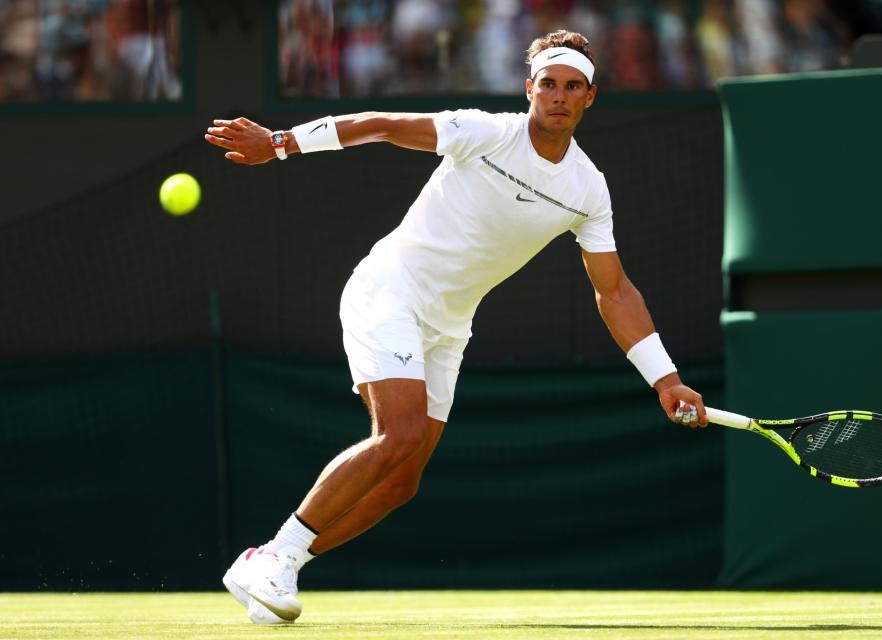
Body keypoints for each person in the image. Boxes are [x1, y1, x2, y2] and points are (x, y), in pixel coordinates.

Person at [204, 29, 709, 625]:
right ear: (530, 89)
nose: (559, 97)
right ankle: (275, 554)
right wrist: (281, 143)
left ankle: (277, 564)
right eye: (549, 84)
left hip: (448, 325)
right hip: (389, 289)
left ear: (589, 98)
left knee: (403, 480)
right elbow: (383, 124)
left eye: (573, 88)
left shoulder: (588, 188)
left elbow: (614, 290)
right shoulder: (485, 132)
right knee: (399, 433)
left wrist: (665, 379)